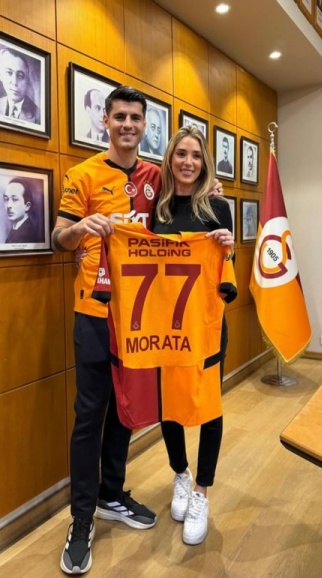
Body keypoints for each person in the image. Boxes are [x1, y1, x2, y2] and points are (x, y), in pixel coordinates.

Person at [53, 85, 222, 575]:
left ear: (145, 126)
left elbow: (189, 191)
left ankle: (111, 493)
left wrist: (212, 192)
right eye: (120, 116)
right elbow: (59, 237)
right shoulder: (83, 174)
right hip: (94, 312)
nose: (128, 125)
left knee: (126, 411)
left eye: (135, 118)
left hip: (141, 320)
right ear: (105, 121)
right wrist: (82, 228)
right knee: (90, 413)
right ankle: (81, 518)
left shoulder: (156, 176)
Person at [152, 125, 234, 546]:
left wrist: (228, 245)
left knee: (209, 407)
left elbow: (227, 267)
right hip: (165, 326)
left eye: (196, 155)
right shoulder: (159, 210)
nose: (188, 162)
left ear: (204, 163)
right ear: (170, 159)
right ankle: (181, 475)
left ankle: (202, 491)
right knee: (169, 405)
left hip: (206, 324)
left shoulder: (218, 206)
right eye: (181, 154)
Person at [0, 46, 39, 123]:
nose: (14, 82)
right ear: (1, 76)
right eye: (9, 73)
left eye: (20, 76)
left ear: (27, 80)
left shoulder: (38, 115)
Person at [3, 177, 42, 243]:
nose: (8, 205)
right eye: (6, 199)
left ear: (27, 206)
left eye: (15, 199)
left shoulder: (29, 234)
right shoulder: (14, 229)